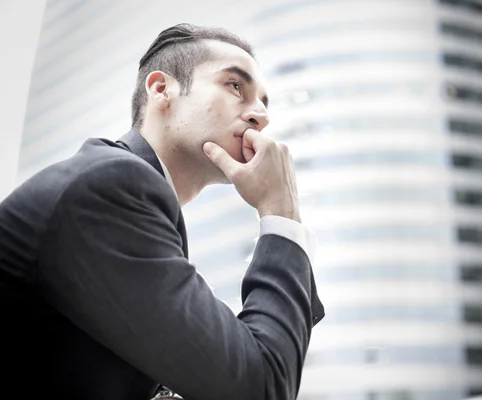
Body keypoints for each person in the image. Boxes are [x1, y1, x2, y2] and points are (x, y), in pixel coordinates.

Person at [0, 23, 324, 400]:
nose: (260, 116)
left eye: (265, 104)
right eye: (236, 86)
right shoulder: (111, 186)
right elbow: (259, 386)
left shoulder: (130, 198)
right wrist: (281, 215)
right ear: (161, 90)